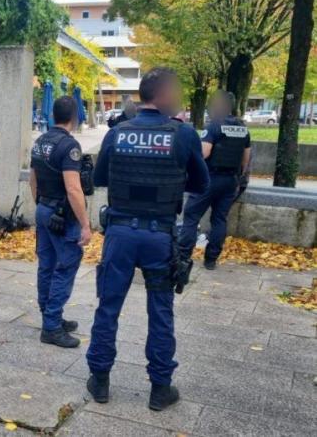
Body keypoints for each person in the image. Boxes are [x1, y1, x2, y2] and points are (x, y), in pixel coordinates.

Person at [86, 68, 209, 411]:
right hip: (159, 236)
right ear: (165, 95)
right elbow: (202, 185)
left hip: (120, 233)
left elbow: (98, 178)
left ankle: (99, 381)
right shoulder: (183, 135)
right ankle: (160, 388)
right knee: (160, 311)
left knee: (108, 307)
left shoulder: (118, 132)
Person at [29, 96, 93, 349]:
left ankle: (49, 315)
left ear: (53, 115)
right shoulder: (69, 146)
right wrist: (86, 225)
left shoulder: (40, 142)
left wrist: (41, 205)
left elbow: (32, 180)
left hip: (44, 209)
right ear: (74, 117)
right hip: (62, 216)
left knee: (46, 265)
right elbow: (74, 189)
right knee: (65, 267)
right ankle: (52, 326)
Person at [178, 90, 251, 270]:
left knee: (191, 216)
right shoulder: (243, 129)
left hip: (209, 179)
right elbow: (246, 157)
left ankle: (183, 255)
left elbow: (204, 153)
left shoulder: (213, 126)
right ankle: (211, 259)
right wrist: (238, 176)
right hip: (230, 181)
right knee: (219, 219)